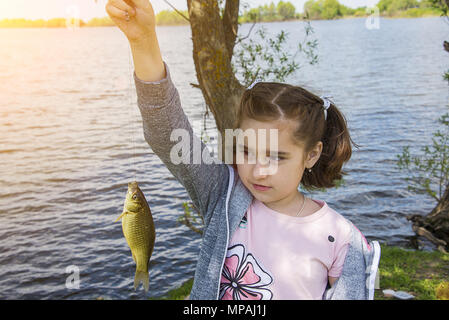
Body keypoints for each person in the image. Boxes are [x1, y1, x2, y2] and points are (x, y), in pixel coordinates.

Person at [106, 0, 381, 300]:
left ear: (311, 154)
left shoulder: (344, 241)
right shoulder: (223, 195)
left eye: (277, 156)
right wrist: (143, 40)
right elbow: (167, 131)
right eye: (247, 151)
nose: (258, 170)